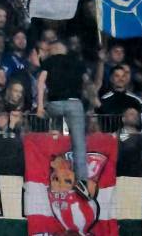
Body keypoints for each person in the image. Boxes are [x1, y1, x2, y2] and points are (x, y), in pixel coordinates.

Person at [36, 40, 92, 198]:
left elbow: (41, 83)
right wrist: (93, 103)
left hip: (54, 104)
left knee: (47, 121)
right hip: (75, 104)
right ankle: (82, 182)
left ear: (53, 49)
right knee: (79, 144)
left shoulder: (49, 61)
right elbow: (88, 83)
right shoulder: (78, 63)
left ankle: (53, 132)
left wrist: (40, 107)